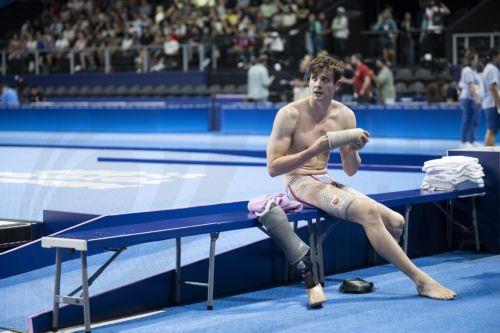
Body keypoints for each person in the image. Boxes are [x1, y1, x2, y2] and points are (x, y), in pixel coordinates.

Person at [266, 54, 456, 300]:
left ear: (336, 85)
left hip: (324, 179)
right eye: (314, 78)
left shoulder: (345, 116)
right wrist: (314, 149)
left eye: (325, 80)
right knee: (368, 212)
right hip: (297, 182)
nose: (317, 85)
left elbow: (350, 170)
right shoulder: (289, 114)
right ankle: (421, 281)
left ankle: (375, 268)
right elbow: (273, 167)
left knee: (397, 222)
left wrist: (353, 150)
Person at [458, 49, 482, 148]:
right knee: (467, 120)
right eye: (476, 59)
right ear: (471, 60)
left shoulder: (474, 71)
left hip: (473, 98)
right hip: (468, 99)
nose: (477, 61)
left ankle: (472, 140)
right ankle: (464, 141)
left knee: (474, 120)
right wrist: (477, 98)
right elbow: (471, 86)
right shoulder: (467, 70)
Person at [481, 48, 500, 146]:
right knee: (491, 130)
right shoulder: (492, 69)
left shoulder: (488, 68)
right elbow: (493, 88)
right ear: (494, 56)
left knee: (493, 129)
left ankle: (489, 152)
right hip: (492, 103)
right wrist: (499, 104)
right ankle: (489, 154)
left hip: (490, 103)